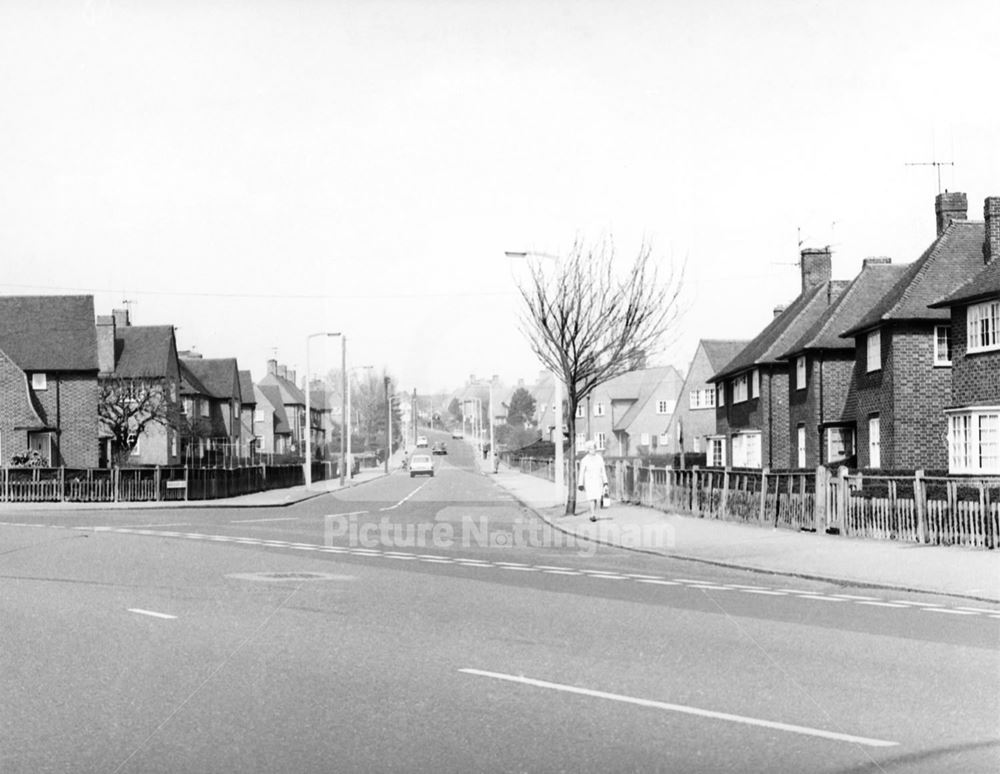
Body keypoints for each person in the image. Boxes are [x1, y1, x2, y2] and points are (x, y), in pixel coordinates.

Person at [577, 440, 609, 522]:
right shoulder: (585, 460)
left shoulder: (599, 458)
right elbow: (581, 472)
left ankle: (593, 513)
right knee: (591, 497)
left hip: (598, 481)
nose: (593, 449)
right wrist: (580, 484)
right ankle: (592, 514)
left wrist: (605, 482)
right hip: (589, 481)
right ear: (588, 449)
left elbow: (603, 471)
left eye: (594, 447)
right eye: (591, 448)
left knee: (596, 497)